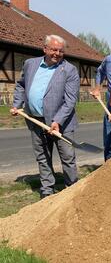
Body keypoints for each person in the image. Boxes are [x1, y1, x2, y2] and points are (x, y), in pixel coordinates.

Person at [10, 34, 80, 199]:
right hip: (36, 121)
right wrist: (17, 103)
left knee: (68, 157)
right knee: (43, 156)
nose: (57, 53)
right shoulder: (30, 64)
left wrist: (57, 121)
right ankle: (47, 191)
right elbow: (21, 85)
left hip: (61, 124)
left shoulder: (69, 70)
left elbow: (70, 101)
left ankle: (72, 190)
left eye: (61, 51)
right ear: (45, 49)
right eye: (54, 50)